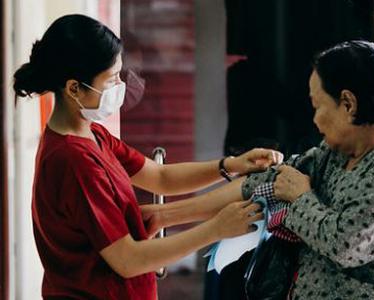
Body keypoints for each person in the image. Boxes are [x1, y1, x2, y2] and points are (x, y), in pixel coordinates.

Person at [13, 14, 284, 299]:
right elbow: (128, 260)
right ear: (73, 88)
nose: (120, 86)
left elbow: (160, 176)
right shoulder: (72, 160)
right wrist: (215, 229)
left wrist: (229, 165)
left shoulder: (93, 136)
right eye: (111, 79)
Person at [242, 40, 374, 299]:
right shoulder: (338, 150)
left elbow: (344, 243)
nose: (315, 120)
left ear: (348, 104)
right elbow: (273, 179)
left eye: (318, 106)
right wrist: (171, 214)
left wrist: (300, 198)